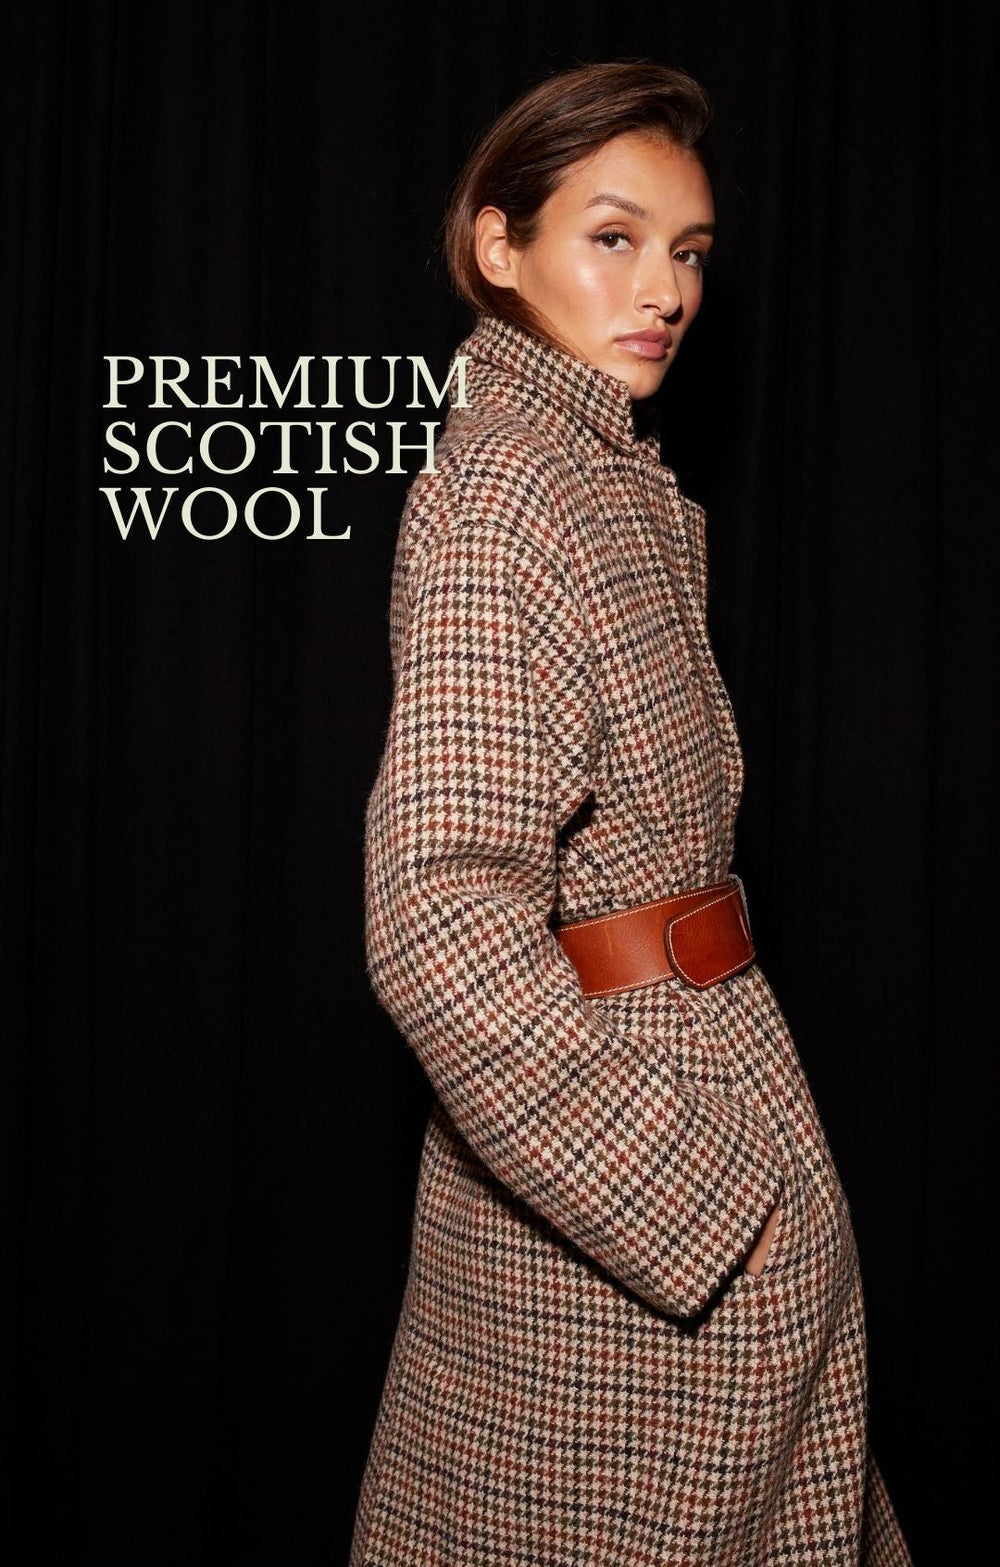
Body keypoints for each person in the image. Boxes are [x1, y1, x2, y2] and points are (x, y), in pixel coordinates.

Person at [350, 60, 913, 1567]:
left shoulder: (602, 478)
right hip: (622, 1215)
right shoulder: (510, 490)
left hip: (704, 1086)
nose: (665, 289)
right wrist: (700, 1197)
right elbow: (436, 918)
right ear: (499, 246)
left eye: (690, 250)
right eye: (614, 237)